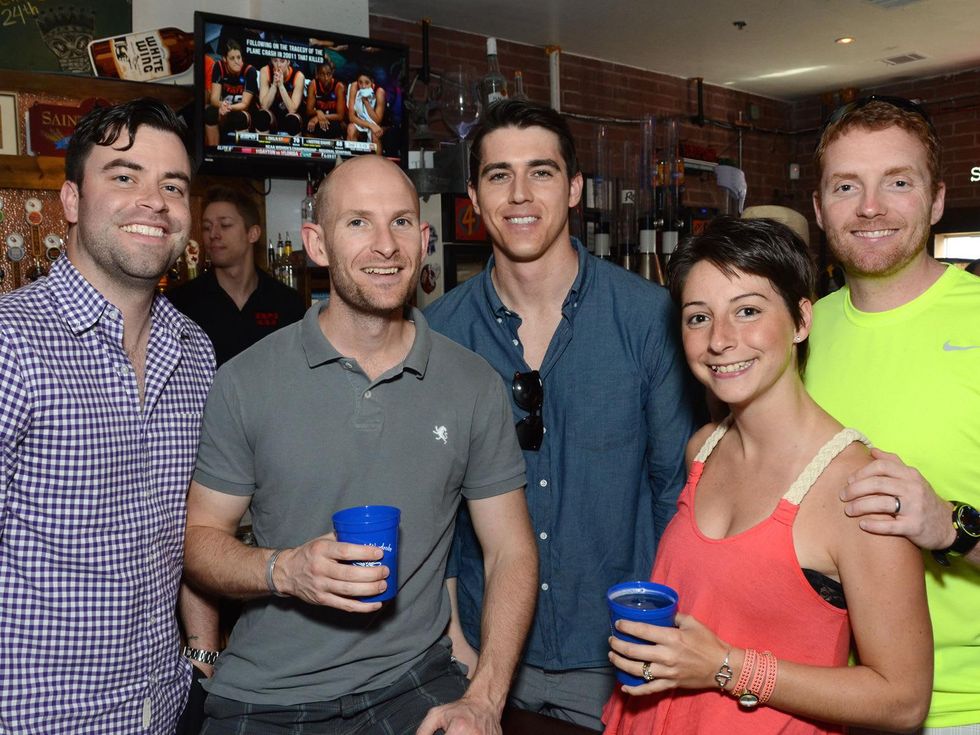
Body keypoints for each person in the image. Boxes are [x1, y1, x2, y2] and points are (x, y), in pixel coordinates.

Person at [182, 154, 538, 735]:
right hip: (267, 694)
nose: (385, 245)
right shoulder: (246, 380)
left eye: (401, 222)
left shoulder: (472, 384)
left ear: (424, 242)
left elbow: (511, 552)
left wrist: (487, 696)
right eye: (358, 223)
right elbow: (199, 543)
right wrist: (286, 570)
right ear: (316, 245)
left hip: (412, 683)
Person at [424, 99, 700, 731]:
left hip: (619, 662)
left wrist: (656, 639)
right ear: (473, 193)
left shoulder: (649, 319)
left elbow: (673, 495)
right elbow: (430, 506)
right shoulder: (438, 334)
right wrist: (458, 641)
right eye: (498, 175)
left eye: (541, 172)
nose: (520, 194)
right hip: (477, 660)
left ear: (574, 188)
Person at [602, 216, 933, 735]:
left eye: (748, 311)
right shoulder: (703, 449)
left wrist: (726, 667)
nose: (720, 340)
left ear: (802, 320)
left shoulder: (858, 489)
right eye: (698, 318)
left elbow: (903, 699)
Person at [0, 98, 214, 733]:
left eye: (172, 185)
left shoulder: (194, 350)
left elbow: (192, 528)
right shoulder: (12, 344)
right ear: (70, 201)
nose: (154, 201)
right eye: (124, 176)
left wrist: (201, 658)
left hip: (162, 707)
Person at [807, 96, 980, 733]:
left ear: (935, 200)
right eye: (847, 186)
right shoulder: (792, 336)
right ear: (820, 207)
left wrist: (951, 527)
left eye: (897, 183)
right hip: (820, 698)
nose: (871, 207)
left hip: (962, 710)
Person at [167, 186, 305, 367]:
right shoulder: (181, 304)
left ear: (253, 233)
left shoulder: (287, 302)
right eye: (207, 227)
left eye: (225, 225)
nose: (214, 234)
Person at [204, 40, 257, 146]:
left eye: (239, 57)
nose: (237, 61)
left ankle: (243, 157)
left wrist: (228, 107)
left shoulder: (249, 71)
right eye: (232, 58)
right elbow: (214, 99)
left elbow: (245, 104)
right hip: (225, 110)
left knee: (240, 118)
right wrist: (222, 105)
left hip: (245, 112)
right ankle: (213, 154)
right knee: (210, 113)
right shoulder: (219, 67)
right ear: (225, 59)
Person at [254, 55, 305, 136]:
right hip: (272, 116)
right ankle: (263, 148)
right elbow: (264, 106)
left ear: (288, 62)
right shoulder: (265, 71)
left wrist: (281, 86)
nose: (278, 65)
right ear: (271, 61)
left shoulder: (298, 76)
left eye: (282, 61)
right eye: (275, 61)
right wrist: (274, 85)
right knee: (262, 117)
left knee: (293, 121)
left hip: (289, 115)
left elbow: (292, 109)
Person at [305, 59, 346, 138]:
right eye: (322, 74)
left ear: (332, 74)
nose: (326, 78)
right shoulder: (313, 85)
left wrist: (319, 116)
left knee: (338, 127)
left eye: (328, 74)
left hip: (333, 119)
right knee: (309, 127)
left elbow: (340, 116)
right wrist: (318, 112)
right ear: (317, 75)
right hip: (317, 118)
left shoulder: (339, 86)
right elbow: (309, 111)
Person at [346, 72, 386, 152]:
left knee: (375, 135)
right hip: (361, 122)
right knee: (351, 129)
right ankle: (353, 162)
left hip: (379, 124)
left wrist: (366, 101)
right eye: (360, 82)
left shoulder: (379, 92)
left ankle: (377, 162)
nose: (363, 86)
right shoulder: (354, 86)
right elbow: (351, 117)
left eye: (367, 83)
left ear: (372, 83)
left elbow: (377, 120)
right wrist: (370, 125)